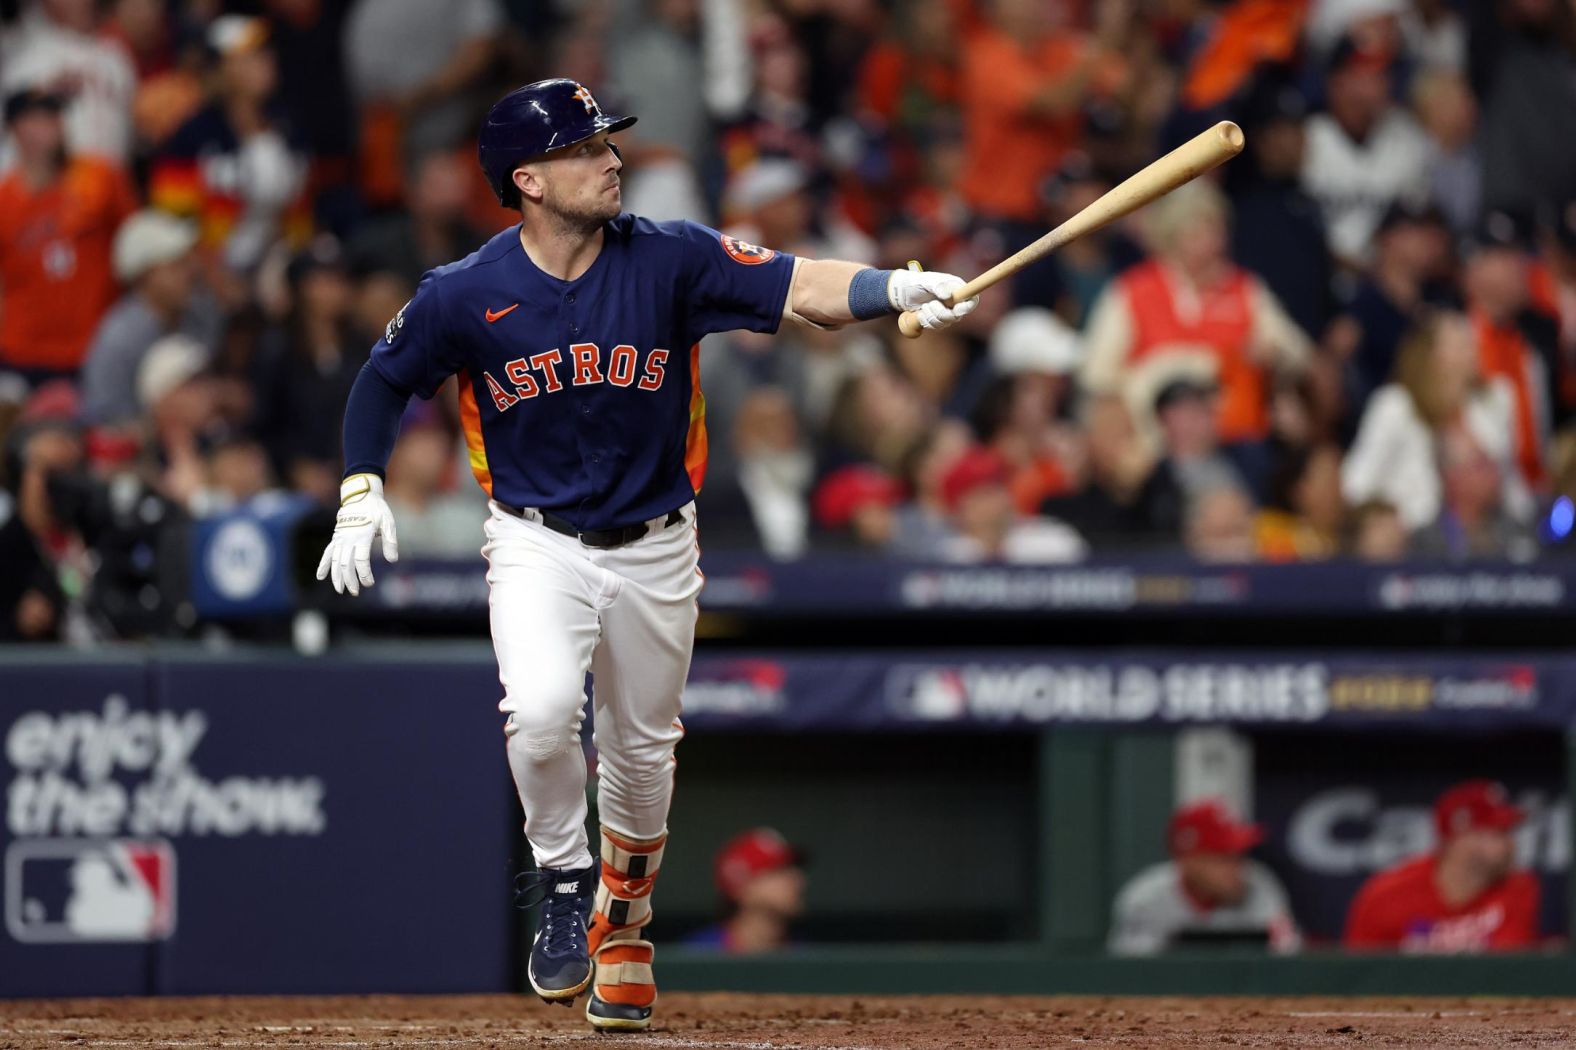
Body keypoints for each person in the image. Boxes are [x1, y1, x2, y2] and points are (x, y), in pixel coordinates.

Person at [313, 79, 977, 1032]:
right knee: (540, 713)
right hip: (537, 538)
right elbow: (382, 382)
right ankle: (560, 875)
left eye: (608, 143)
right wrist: (361, 485)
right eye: (586, 148)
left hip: (659, 545)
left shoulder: (670, 258)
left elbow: (800, 286)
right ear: (529, 179)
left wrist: (895, 286)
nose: (611, 157)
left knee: (640, 754)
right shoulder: (467, 291)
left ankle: (623, 926)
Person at [0, 88, 135, 381]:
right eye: (39, 117)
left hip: (94, 346)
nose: (53, 124)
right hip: (21, 349)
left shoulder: (100, 176)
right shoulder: (4, 198)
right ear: (14, 128)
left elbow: (134, 245)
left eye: (56, 115)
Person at [1345, 780, 1541, 952]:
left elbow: (1514, 974)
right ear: (1460, 837)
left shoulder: (1519, 889)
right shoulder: (1386, 895)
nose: (1511, 844)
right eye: (1498, 833)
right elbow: (1357, 978)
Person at [1108, 799, 1300, 956]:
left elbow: (1287, 959)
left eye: (1239, 855)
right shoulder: (1147, 898)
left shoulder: (1259, 884)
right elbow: (1133, 974)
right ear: (1189, 861)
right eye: (1223, 858)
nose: (1238, 868)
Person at [683, 827, 807, 954]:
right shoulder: (699, 953)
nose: (798, 881)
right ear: (741, 888)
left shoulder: (806, 954)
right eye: (779, 871)